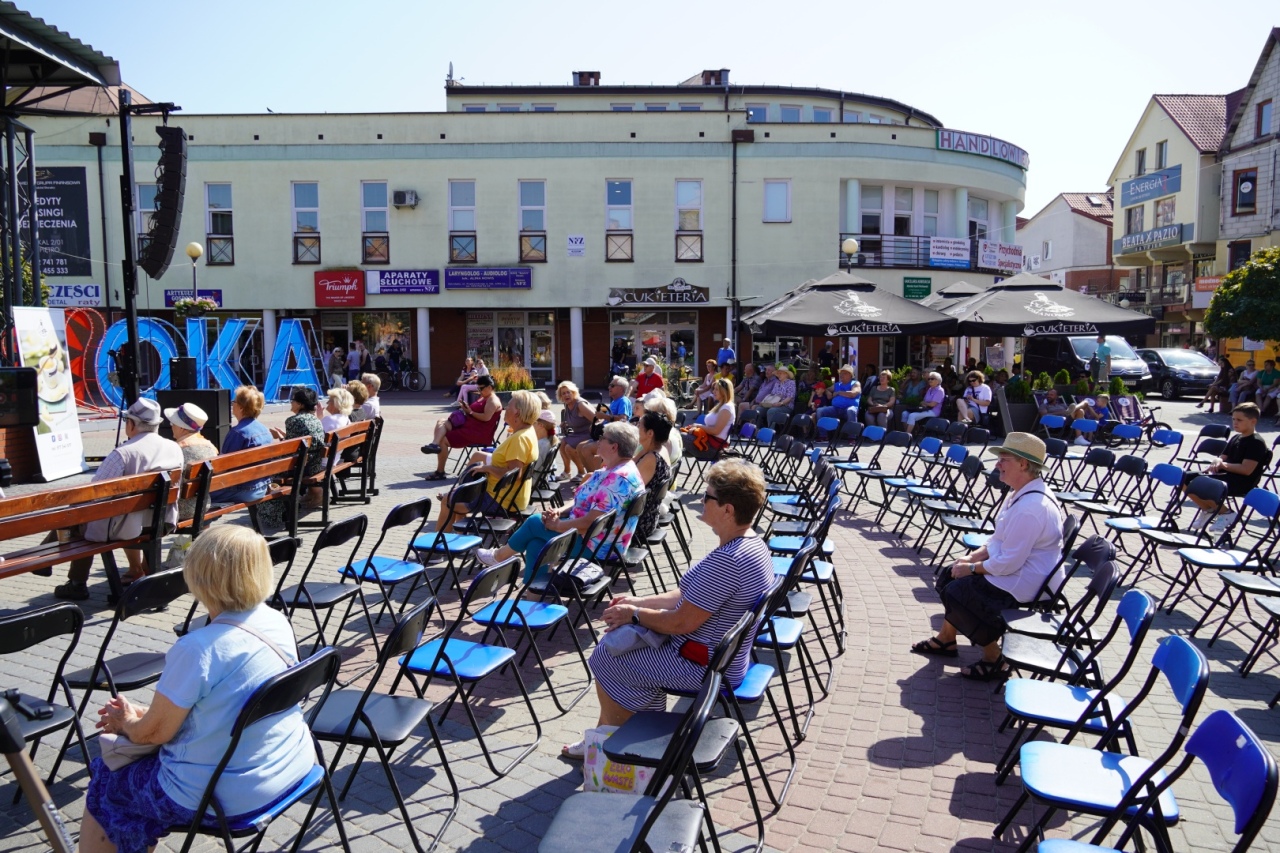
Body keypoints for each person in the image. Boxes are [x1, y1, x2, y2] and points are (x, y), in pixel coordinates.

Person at [78, 525, 312, 853]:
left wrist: (127, 724)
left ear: (198, 576)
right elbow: (224, 706)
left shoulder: (198, 648)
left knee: (109, 776)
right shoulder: (276, 621)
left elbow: (153, 735)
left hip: (227, 795)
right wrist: (147, 716)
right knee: (133, 776)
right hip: (290, 766)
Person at [563, 459, 774, 753]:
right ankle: (611, 734)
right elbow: (689, 596)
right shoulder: (751, 544)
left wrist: (633, 615)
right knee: (618, 646)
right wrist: (638, 602)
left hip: (704, 664)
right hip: (719, 656)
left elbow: (680, 623)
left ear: (728, 509)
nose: (701, 501)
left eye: (708, 497)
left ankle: (617, 746)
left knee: (607, 657)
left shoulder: (729, 561)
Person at [911, 432, 1065, 680]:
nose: (997, 465)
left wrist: (972, 569)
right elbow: (997, 540)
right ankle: (946, 639)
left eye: (1004, 459)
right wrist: (971, 559)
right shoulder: (1020, 492)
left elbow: (1008, 563)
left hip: (1029, 581)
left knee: (959, 591)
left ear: (1023, 464)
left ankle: (994, 659)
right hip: (1016, 568)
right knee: (950, 576)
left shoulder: (1032, 507)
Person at [475, 421, 645, 580]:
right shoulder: (614, 469)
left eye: (603, 438)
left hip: (597, 545)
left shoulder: (616, 480)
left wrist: (558, 526)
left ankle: (500, 556)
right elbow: (584, 500)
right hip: (594, 537)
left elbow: (590, 522)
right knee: (536, 544)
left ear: (614, 447)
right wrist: (560, 511)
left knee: (535, 522)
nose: (598, 441)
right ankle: (535, 595)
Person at [53, 399, 184, 600]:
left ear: (131, 424)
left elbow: (94, 493)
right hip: (162, 521)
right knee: (78, 513)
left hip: (124, 527)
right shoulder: (174, 448)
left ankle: (76, 583)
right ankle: (53, 555)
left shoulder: (122, 453)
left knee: (78, 514)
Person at [432, 390, 541, 534]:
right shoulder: (528, 432)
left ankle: (437, 548)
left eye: (509, 406)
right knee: (460, 494)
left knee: (448, 500)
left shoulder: (519, 439)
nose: (505, 409)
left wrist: (487, 468)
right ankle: (461, 541)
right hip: (509, 496)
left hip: (502, 500)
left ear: (517, 413)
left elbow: (514, 475)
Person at [1186, 403, 1272, 533]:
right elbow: (1223, 457)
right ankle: (1209, 510)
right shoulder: (1236, 437)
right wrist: (1217, 460)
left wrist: (1222, 465)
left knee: (1204, 484)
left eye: (1239, 420)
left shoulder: (1256, 442)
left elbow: (1246, 470)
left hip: (1241, 482)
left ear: (1253, 421)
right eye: (1233, 419)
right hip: (1225, 476)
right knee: (1185, 478)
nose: (1235, 423)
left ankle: (1227, 513)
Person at [261, 387, 327, 519]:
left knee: (268, 467)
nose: (291, 403)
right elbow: (299, 443)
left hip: (302, 468)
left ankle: (274, 510)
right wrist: (283, 436)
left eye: (293, 400)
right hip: (315, 464)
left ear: (300, 404)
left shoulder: (293, 420)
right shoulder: (316, 420)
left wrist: (279, 438)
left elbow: (289, 449)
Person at [422, 374, 502, 481]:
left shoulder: (492, 401)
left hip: (476, 433)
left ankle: (440, 472)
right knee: (441, 421)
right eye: (478, 388)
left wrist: (470, 411)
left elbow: (486, 418)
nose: (479, 390)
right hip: (468, 427)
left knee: (443, 441)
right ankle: (434, 445)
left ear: (489, 387)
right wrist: (467, 409)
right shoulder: (484, 397)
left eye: (481, 388)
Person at [211, 386, 274, 505]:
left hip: (243, 489)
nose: (232, 404)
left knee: (199, 495)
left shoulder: (237, 433)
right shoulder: (265, 430)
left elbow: (222, 468)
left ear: (240, 407)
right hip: (262, 486)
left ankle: (204, 523)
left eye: (234, 402)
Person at [165, 403, 218, 523]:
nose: (171, 426)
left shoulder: (176, 450)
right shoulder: (210, 448)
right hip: (204, 504)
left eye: (173, 423)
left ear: (182, 428)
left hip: (178, 509)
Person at [633, 410, 673, 541]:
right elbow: (631, 464)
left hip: (639, 523)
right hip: (649, 516)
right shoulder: (657, 449)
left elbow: (629, 490)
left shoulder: (651, 458)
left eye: (639, 425)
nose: (636, 427)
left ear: (650, 433)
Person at [580, 376, 634, 473]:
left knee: (586, 449)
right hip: (606, 435)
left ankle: (595, 480)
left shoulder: (623, 401)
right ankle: (588, 475)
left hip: (616, 438)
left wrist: (604, 417)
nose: (609, 388)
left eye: (612, 385)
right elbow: (606, 417)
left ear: (621, 388)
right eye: (609, 385)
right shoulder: (614, 401)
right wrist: (597, 423)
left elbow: (623, 419)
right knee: (579, 447)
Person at [557, 380, 598, 482]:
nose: (566, 395)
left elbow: (596, 420)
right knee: (562, 443)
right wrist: (565, 424)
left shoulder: (580, 405)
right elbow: (574, 420)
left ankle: (581, 472)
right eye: (563, 393)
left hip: (588, 433)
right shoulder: (567, 405)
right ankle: (567, 472)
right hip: (578, 433)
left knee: (569, 447)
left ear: (574, 392)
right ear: (560, 396)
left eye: (568, 392)